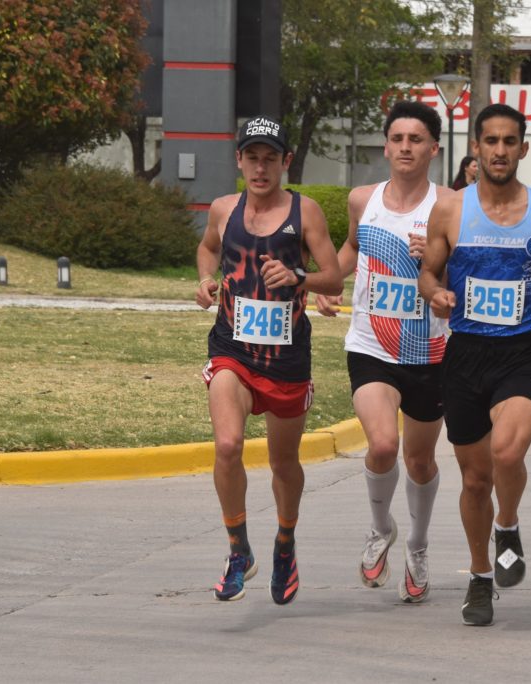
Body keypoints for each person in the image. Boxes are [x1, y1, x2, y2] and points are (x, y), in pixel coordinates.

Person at [419, 103, 531, 626]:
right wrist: (436, 295)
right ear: (476, 147)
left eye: (508, 141)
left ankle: (508, 524)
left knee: (507, 450)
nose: (498, 150)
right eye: (489, 141)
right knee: (474, 481)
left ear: (522, 147)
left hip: (523, 351)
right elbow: (428, 272)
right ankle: (478, 577)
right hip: (466, 352)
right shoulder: (450, 209)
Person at [196, 114, 342, 605]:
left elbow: (335, 278)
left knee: (283, 462)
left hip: (286, 359)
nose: (261, 168)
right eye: (252, 158)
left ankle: (284, 540)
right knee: (228, 445)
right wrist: (204, 281)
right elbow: (207, 248)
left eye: (270, 159)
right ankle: (238, 548)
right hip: (231, 348)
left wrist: (299, 276)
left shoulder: (307, 213)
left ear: (285, 162)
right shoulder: (223, 208)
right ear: (239, 160)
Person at [315, 100, 454, 603]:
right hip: (371, 343)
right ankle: (381, 530)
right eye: (397, 139)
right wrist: (330, 282)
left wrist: (435, 260)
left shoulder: (450, 206)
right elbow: (351, 248)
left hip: (429, 349)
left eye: (415, 140)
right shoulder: (362, 199)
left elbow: (462, 271)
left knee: (420, 460)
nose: (404, 148)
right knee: (380, 446)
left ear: (433, 148)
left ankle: (417, 545)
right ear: (386, 144)